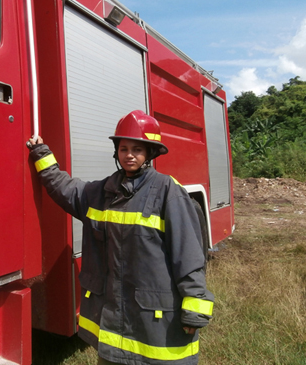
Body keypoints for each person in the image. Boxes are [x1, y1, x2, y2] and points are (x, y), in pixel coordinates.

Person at [28, 110, 214, 365]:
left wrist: (195, 306)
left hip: (153, 315)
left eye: (137, 149)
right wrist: (42, 156)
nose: (129, 155)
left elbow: (189, 253)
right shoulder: (101, 192)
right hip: (115, 318)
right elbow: (64, 188)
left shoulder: (168, 192)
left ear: (149, 153)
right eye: (124, 148)